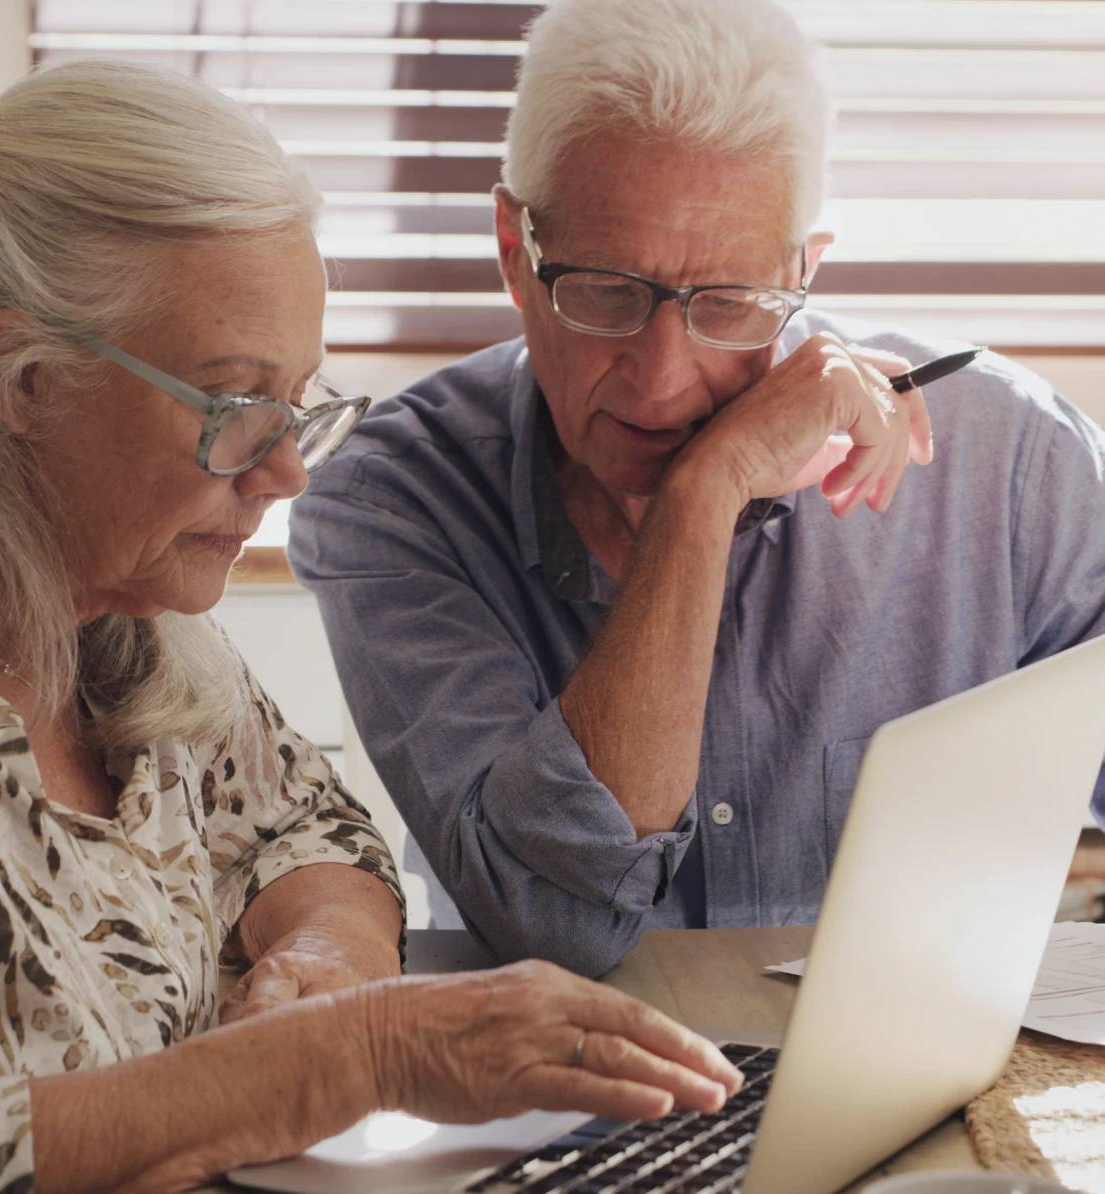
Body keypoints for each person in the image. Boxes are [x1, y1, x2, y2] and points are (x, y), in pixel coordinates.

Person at [0, 60, 743, 1194]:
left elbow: (312, 830)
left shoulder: (124, 627)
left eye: (298, 406)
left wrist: (326, 952)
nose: (283, 471)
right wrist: (354, 1052)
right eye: (234, 407)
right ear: (22, 379)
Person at [288, 0, 1105, 976]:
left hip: (916, 1098)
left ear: (802, 272)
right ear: (513, 250)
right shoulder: (389, 501)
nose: (661, 377)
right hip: (560, 1109)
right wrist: (701, 498)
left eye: (727, 303)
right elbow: (554, 922)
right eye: (604, 291)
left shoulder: (1006, 458)